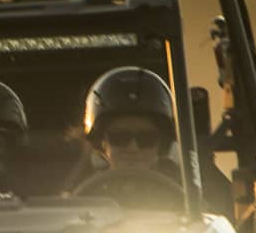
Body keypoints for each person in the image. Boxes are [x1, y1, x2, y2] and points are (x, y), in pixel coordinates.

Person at [75, 65, 235, 216]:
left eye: (146, 138)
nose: (133, 148)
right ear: (102, 143)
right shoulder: (81, 195)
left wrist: (205, 169)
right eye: (120, 138)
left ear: (162, 144)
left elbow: (221, 222)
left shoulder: (192, 188)